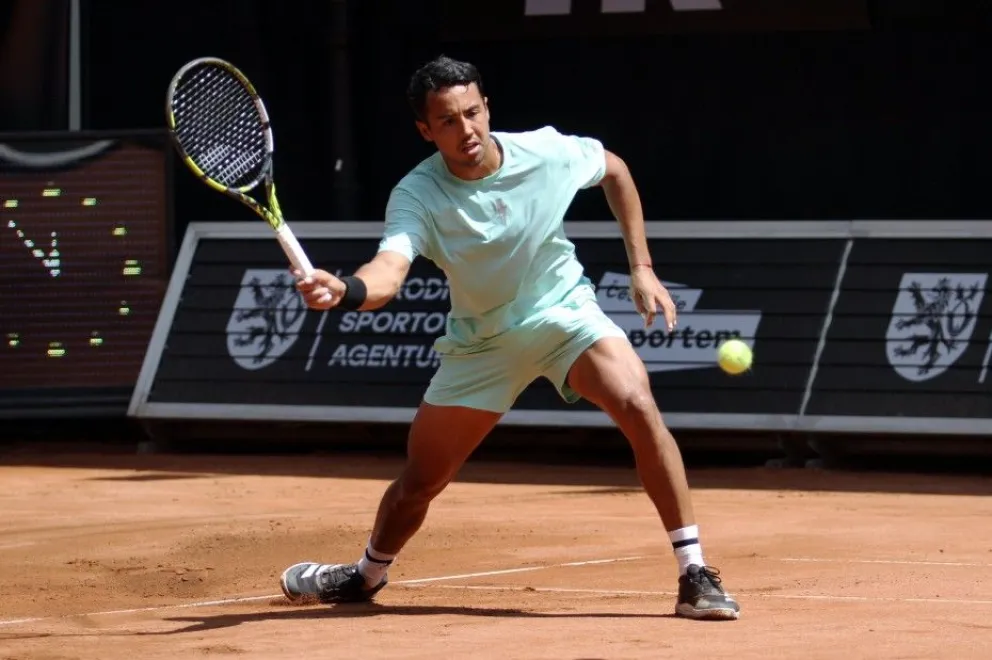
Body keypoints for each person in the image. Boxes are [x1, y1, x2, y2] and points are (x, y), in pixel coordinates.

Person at [279, 55, 740, 621]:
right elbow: (389, 272)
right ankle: (366, 574)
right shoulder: (417, 194)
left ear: (487, 107)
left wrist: (641, 266)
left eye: (472, 113)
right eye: (447, 121)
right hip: (482, 345)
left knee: (637, 404)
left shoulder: (544, 152)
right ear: (426, 130)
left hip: (564, 314)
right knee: (420, 483)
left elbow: (614, 169)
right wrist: (346, 290)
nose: (466, 130)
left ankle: (694, 572)